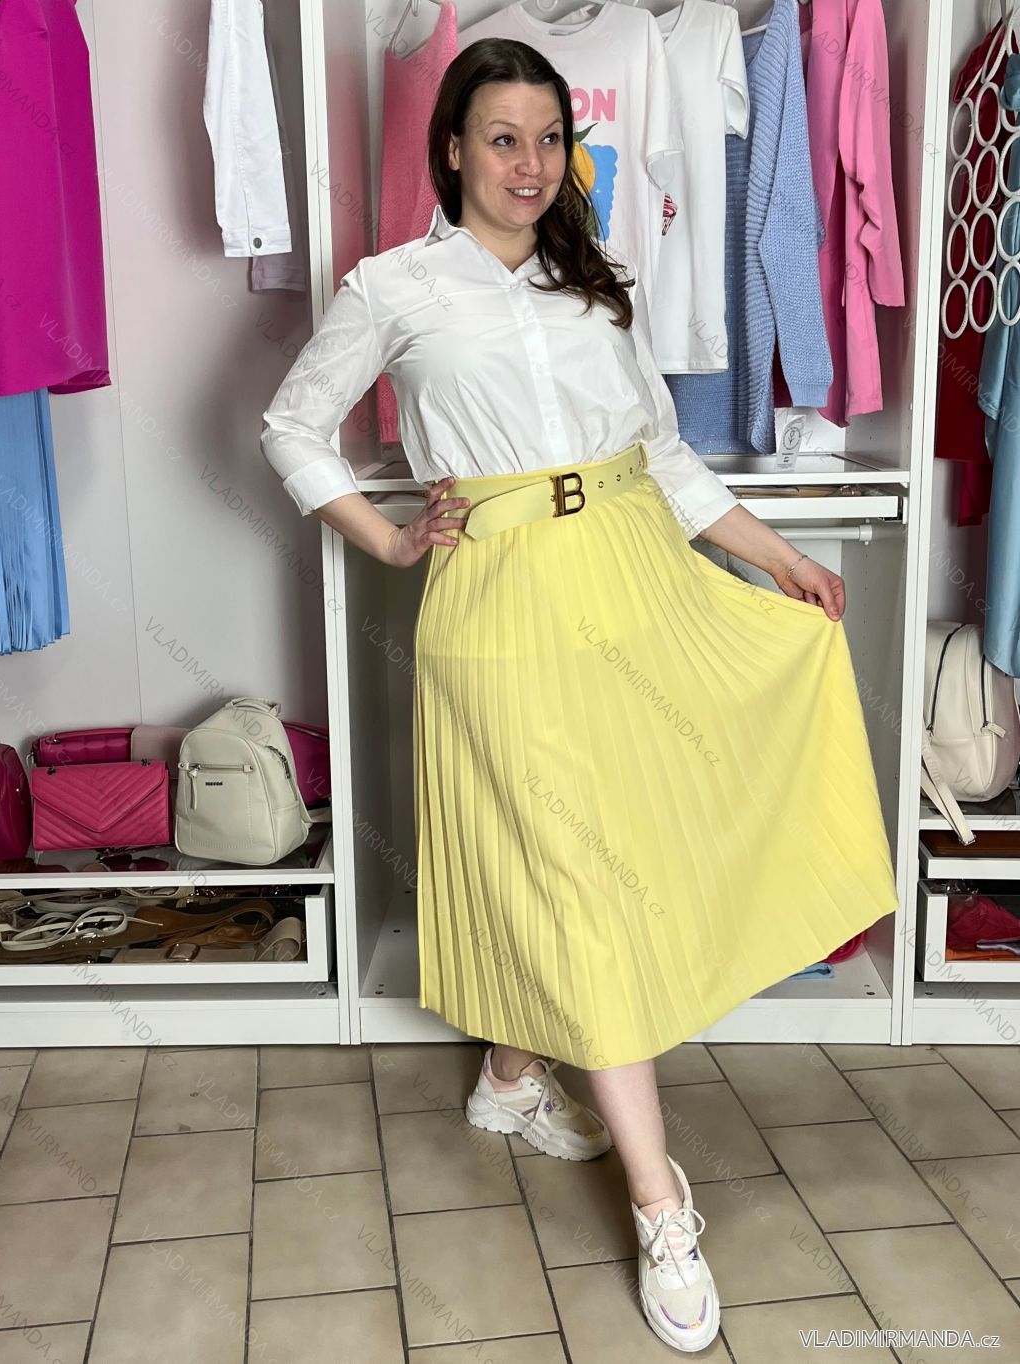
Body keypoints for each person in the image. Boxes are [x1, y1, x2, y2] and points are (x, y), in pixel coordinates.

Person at [261, 37, 900, 1355]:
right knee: (578, 878)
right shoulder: (392, 287)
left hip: (639, 581)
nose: (530, 164)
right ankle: (662, 1206)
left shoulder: (595, 287)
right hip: (501, 607)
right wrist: (389, 543)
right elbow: (288, 425)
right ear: (452, 148)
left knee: (613, 856)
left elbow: (663, 460)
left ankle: (510, 1077)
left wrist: (779, 558)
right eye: (503, 138)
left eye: (550, 139)